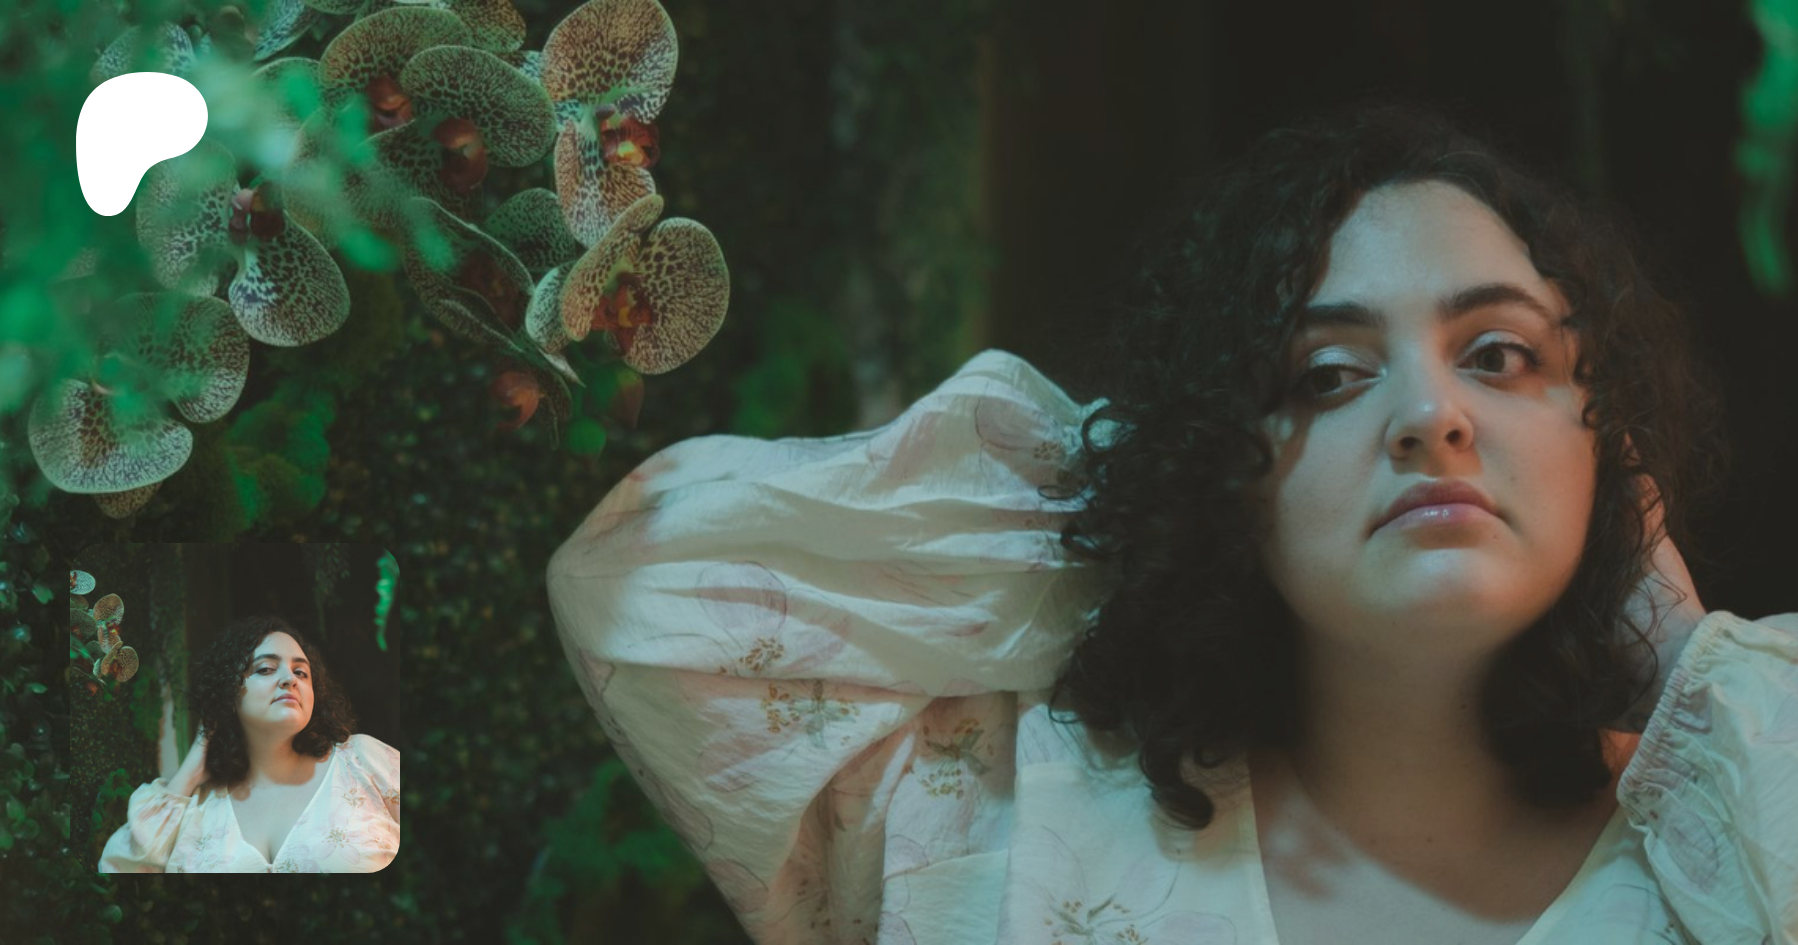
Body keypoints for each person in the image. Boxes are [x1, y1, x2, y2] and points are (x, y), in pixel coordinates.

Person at [545, 96, 1798, 943]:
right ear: (1221, 464)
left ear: (1606, 439)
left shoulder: (1732, 837)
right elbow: (644, 586)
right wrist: (1127, 503)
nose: (1432, 416)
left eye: (1500, 356)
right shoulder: (1003, 820)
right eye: (1327, 376)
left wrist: (1689, 666)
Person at [98, 615, 400, 873]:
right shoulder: (196, 808)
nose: (290, 679)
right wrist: (190, 773)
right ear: (228, 692)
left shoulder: (361, 761)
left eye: (301, 672)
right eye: (265, 669)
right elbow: (117, 869)